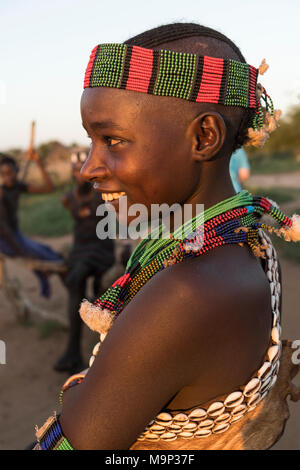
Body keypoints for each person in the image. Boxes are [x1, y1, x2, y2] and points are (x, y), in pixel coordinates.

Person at [33, 23, 300, 450]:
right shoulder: (245, 237)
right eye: (91, 140)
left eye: (113, 140)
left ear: (204, 136)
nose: (87, 168)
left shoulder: (185, 292)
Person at [53, 151, 115, 374]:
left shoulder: (103, 194)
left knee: (77, 277)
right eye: (76, 168)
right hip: (79, 252)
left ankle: (76, 352)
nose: (81, 172)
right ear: (72, 173)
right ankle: (73, 352)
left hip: (101, 251)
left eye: (84, 166)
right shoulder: (68, 198)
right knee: (75, 281)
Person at [0, 153, 63, 297]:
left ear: (16, 171)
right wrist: (23, 253)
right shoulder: (2, 194)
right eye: (3, 174)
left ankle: (44, 278)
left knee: (48, 250)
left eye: (10, 172)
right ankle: (44, 281)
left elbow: (49, 188)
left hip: (15, 235)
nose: (7, 177)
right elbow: (3, 229)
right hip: (5, 240)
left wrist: (38, 162)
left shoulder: (17, 186)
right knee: (49, 259)